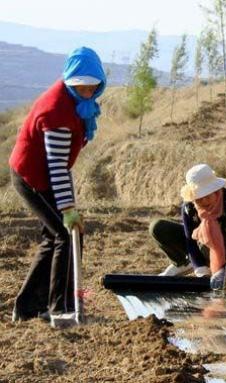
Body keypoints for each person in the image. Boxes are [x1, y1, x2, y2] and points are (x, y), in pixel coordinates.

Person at [9, 47, 106, 322]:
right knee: (65, 235)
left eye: (92, 86)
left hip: (45, 173)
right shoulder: (57, 113)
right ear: (69, 80)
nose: (87, 91)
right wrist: (68, 209)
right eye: (81, 86)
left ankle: (28, 306)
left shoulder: (73, 101)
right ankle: (59, 307)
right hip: (32, 177)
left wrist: (66, 206)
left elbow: (59, 166)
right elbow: (56, 167)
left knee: (54, 237)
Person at [149, 164, 226, 289]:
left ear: (215, 190)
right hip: (201, 246)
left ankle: (214, 264)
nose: (203, 202)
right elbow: (190, 243)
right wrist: (201, 272)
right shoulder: (188, 207)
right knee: (158, 227)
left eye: (207, 196)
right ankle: (187, 263)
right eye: (198, 198)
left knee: (208, 238)